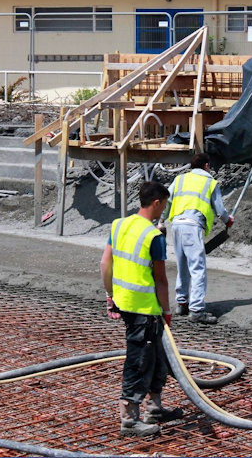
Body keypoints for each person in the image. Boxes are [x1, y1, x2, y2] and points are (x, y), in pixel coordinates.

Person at [100, 180, 183, 438]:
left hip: (125, 303)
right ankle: (129, 420)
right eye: (164, 204)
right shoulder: (153, 236)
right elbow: (160, 279)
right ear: (156, 202)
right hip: (145, 310)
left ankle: (154, 409)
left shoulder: (119, 224)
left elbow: (105, 263)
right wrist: (167, 311)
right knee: (138, 362)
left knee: (158, 357)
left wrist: (110, 295)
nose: (164, 210)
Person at [159, 153, 233, 325]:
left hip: (176, 224)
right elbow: (220, 210)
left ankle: (182, 303)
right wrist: (228, 220)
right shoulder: (209, 182)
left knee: (182, 264)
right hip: (192, 226)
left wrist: (161, 221)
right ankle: (197, 309)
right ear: (206, 165)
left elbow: (166, 201)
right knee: (197, 268)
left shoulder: (180, 180)